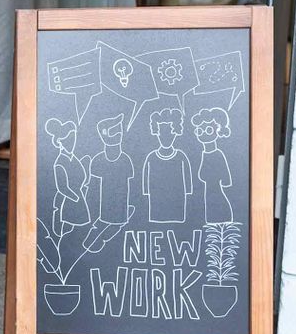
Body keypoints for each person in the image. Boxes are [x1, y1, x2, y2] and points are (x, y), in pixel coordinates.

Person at [83, 113, 135, 252]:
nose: (118, 133)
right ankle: (94, 239)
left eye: (119, 129)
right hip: (102, 214)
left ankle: (98, 239)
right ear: (104, 135)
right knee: (94, 239)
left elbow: (131, 187)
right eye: (114, 130)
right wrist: (91, 215)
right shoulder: (98, 161)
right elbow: (92, 190)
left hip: (121, 213)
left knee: (113, 229)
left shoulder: (126, 160)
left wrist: (128, 207)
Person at [142, 108, 193, 224]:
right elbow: (145, 181)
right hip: (156, 203)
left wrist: (188, 191)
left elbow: (188, 180)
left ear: (175, 132)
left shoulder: (181, 156)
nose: (166, 137)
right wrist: (146, 192)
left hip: (177, 203)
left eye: (170, 132)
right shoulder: (151, 157)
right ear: (157, 132)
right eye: (162, 133)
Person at [46, 118, 89, 237]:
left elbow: (82, 177)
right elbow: (62, 188)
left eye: (73, 138)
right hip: (68, 200)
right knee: (67, 228)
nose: (71, 142)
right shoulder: (60, 162)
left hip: (79, 197)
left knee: (78, 230)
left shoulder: (74, 159)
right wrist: (76, 198)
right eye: (67, 139)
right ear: (60, 142)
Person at [191, 107, 234, 224]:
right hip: (209, 190)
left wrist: (224, 182)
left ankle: (224, 217)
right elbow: (202, 175)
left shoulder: (217, 154)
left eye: (209, 130)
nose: (203, 134)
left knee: (216, 203)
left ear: (218, 130)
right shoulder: (204, 154)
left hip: (215, 189)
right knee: (211, 206)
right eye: (199, 131)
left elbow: (226, 178)